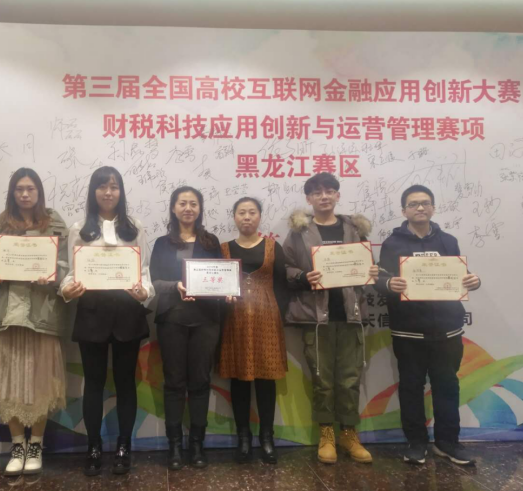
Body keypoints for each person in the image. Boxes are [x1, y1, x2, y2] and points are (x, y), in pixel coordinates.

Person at [374, 184, 481, 466]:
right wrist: (389, 283)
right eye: (413, 204)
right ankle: (416, 443)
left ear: (433, 207)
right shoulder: (392, 244)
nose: (420, 208)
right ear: (404, 211)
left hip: (447, 329)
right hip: (408, 330)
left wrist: (474, 280)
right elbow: (380, 281)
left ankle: (448, 443)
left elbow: (460, 276)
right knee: (411, 387)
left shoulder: (448, 241)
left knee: (447, 386)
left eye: (425, 203)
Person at [60, 166, 154, 476]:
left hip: (127, 312)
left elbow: (144, 272)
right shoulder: (79, 229)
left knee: (126, 383)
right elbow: (71, 273)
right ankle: (94, 446)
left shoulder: (135, 228)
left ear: (121, 192)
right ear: (93, 191)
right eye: (102, 186)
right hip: (92, 313)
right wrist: (67, 290)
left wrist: (144, 292)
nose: (108, 192)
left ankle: (124, 446)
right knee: (93, 383)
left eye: (114, 186)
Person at [0, 168, 69, 476]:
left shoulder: (54, 223)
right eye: (19, 189)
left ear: (39, 192)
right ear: (12, 193)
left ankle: (36, 445)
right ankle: (17, 445)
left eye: (30, 188)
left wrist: (51, 275)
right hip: (6, 316)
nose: (25, 194)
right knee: (8, 383)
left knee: (41, 383)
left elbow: (67, 269)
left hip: (41, 315)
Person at [283, 172, 378, 465]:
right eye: (317, 193)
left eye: (329, 191)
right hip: (316, 316)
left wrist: (371, 271)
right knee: (322, 378)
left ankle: (349, 433)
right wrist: (302, 276)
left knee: (350, 378)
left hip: (351, 314)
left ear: (337, 195)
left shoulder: (354, 229)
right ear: (309, 199)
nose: (323, 197)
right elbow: (284, 267)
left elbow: (368, 265)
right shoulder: (299, 232)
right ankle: (326, 433)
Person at [150, 186, 221, 470]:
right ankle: (175, 446)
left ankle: (197, 445)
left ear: (200, 209)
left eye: (193, 203)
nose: (188, 208)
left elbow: (222, 276)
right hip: (172, 318)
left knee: (201, 382)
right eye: (183, 203)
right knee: (174, 382)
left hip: (206, 319)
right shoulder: (162, 243)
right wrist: (175, 286)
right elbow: (153, 281)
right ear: (173, 208)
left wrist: (228, 290)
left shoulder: (211, 242)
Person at [219, 197, 289, 464]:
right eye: (241, 212)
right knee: (239, 379)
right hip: (233, 319)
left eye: (252, 212)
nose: (246, 217)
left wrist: (278, 313)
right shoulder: (223, 248)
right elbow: (214, 282)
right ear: (234, 217)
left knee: (266, 379)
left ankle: (267, 437)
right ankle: (243, 437)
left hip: (266, 320)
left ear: (259, 216)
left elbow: (282, 284)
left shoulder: (273, 246)